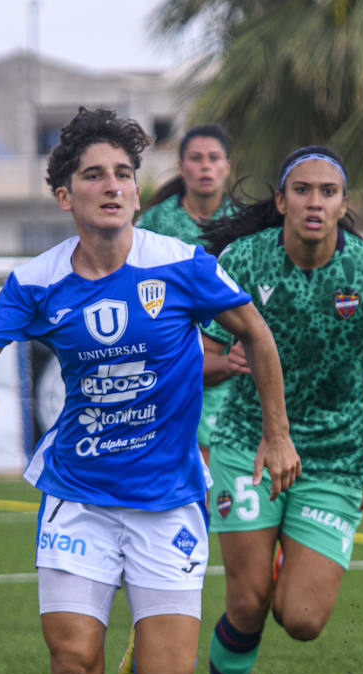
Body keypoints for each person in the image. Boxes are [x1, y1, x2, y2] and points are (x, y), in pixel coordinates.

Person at [0, 108, 298, 674]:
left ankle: (147, 649)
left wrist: (277, 434)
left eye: (124, 175)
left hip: (168, 500)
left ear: (138, 192)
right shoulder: (36, 280)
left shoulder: (182, 264)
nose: (112, 186)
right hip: (78, 496)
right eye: (94, 176)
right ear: (64, 196)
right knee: (73, 662)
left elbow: (256, 335)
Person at [187, 146, 363, 674]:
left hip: (336, 459)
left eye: (327, 192)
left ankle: (278, 555)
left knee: (301, 620)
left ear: (344, 205)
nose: (314, 202)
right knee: (247, 605)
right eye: (302, 190)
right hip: (249, 444)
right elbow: (200, 358)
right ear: (281, 201)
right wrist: (223, 363)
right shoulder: (244, 261)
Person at [136, 124, 242, 463]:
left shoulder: (244, 223)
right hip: (170, 358)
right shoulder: (154, 223)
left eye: (214, 158)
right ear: (182, 167)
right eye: (196, 158)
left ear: (227, 167)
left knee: (220, 463)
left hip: (230, 359)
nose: (205, 166)